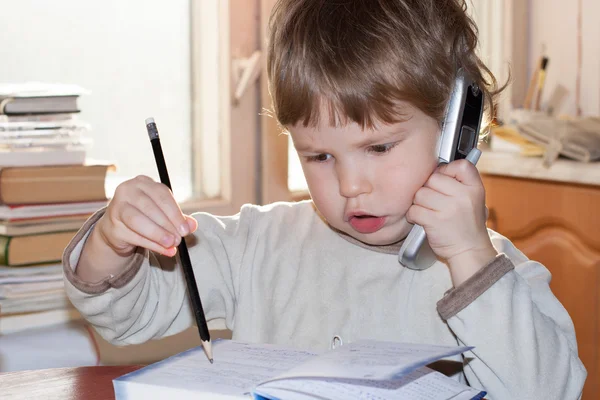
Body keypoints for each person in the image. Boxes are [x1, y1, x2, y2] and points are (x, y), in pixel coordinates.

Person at [63, 0, 586, 398]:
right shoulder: (255, 245)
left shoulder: (494, 279)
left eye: (379, 147)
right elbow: (126, 318)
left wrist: (470, 261)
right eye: (318, 156)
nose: (351, 185)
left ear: (457, 133)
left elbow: (550, 388)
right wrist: (115, 238)